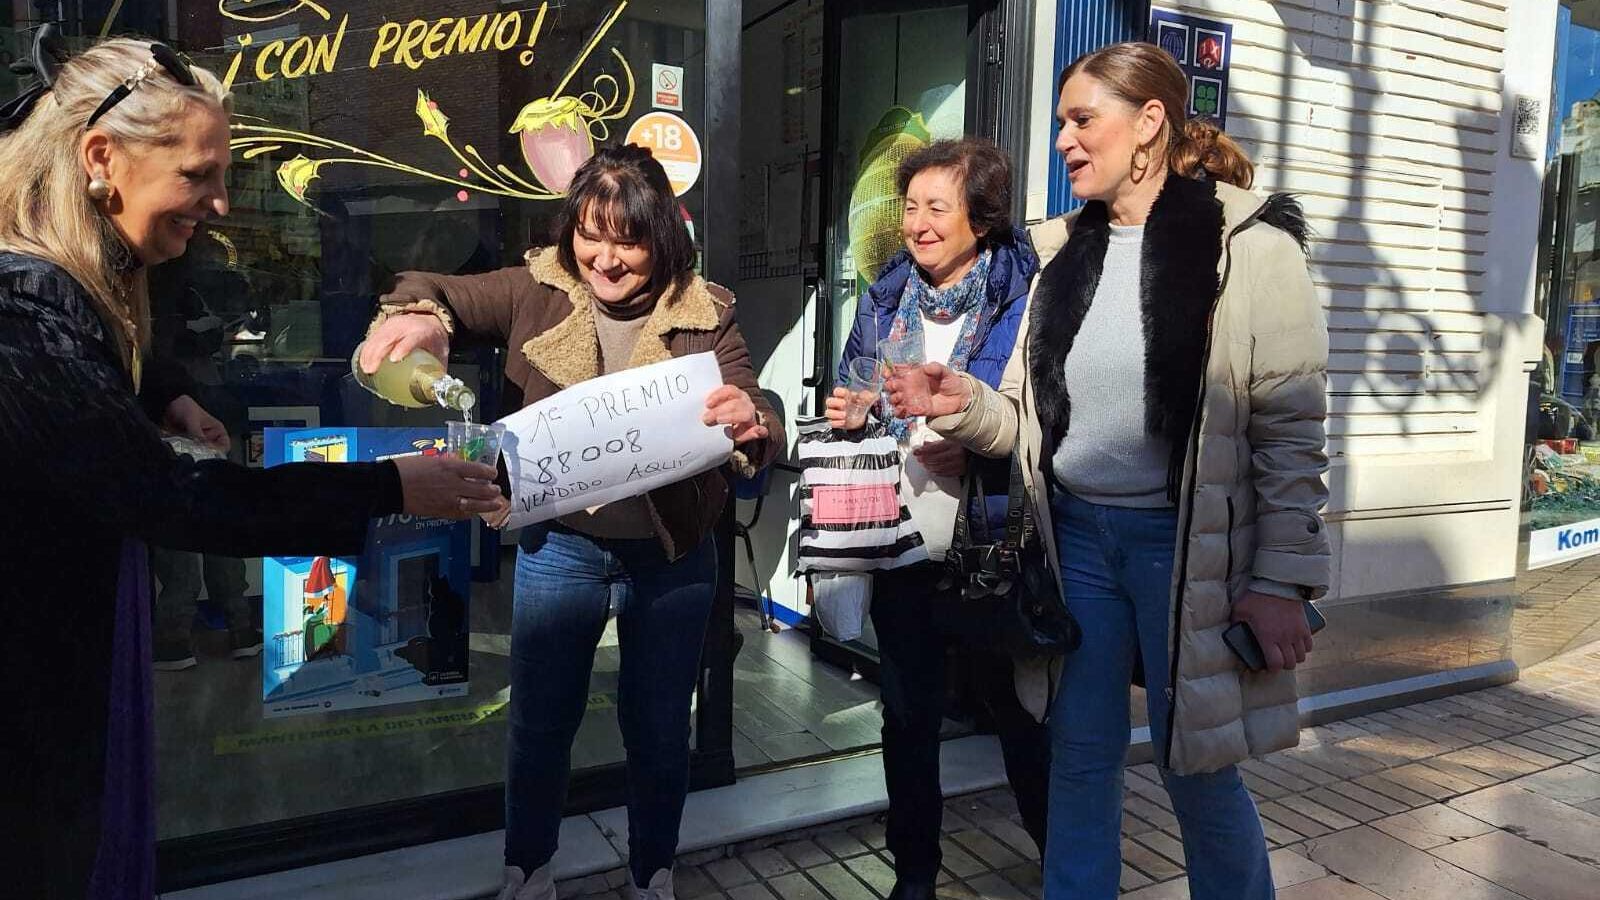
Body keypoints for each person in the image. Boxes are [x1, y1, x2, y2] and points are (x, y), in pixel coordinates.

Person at [0, 33, 505, 899]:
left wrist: (161, 394)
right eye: (198, 176)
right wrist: (388, 486)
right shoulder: (23, 301)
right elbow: (175, 499)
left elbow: (92, 364)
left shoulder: (72, 279)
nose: (221, 204)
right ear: (99, 158)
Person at [887, 42, 1331, 899]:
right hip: (1076, 545)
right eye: (1062, 121)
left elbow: (1289, 435)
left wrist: (1281, 579)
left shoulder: (1251, 248)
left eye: (1082, 119)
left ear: (1150, 124)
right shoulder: (1058, 255)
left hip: (1186, 551)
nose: (1063, 139)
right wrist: (958, 399)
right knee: (1079, 763)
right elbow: (1023, 420)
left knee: (1196, 767)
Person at [359, 144, 782, 900]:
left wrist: (752, 420)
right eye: (590, 233)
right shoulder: (537, 289)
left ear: (664, 238)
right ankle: (530, 870)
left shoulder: (705, 311)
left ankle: (654, 873)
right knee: (540, 725)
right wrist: (423, 323)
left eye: (629, 239)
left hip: (673, 555)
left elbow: (757, 403)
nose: (606, 258)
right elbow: (428, 287)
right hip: (562, 550)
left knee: (657, 731)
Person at [823, 138, 1046, 899]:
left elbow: (1047, 417)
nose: (918, 224)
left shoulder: (1027, 296)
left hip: (992, 541)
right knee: (907, 717)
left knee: (1017, 713)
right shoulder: (884, 297)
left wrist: (981, 448)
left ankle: (1062, 859)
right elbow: (856, 386)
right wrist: (853, 408)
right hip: (900, 535)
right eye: (911, 206)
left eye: (936, 208)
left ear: (979, 219)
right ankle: (914, 875)